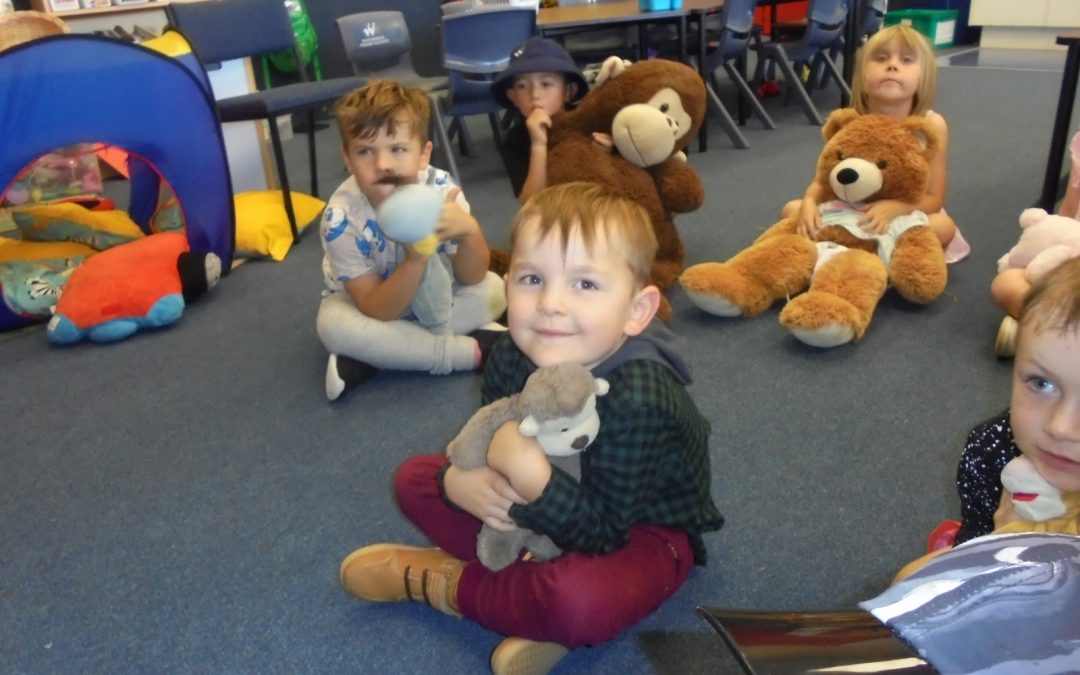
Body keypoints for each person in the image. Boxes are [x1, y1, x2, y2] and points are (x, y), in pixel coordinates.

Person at [336, 182, 724, 675]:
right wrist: (459, 483)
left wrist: (530, 477)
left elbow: (603, 532)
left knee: (578, 600)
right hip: (531, 510)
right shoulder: (513, 353)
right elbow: (482, 443)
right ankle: (531, 603)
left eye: (585, 284)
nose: (551, 305)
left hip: (640, 532)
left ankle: (447, 584)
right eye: (532, 279)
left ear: (637, 311)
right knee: (415, 478)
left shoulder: (642, 396)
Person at [316, 80, 506, 401]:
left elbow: (471, 276)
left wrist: (470, 230)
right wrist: (415, 258)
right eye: (365, 152)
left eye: (398, 149)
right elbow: (378, 310)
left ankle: (373, 361)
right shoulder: (341, 219)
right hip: (369, 304)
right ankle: (467, 353)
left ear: (424, 154)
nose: (383, 164)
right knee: (332, 324)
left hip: (436, 291)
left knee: (495, 289)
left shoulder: (441, 190)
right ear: (347, 159)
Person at [901, 256, 1080, 578]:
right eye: (1042, 383)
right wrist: (997, 540)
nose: (1060, 427)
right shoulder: (994, 447)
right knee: (908, 581)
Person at [781, 25, 969, 264]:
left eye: (906, 60)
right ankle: (869, 254)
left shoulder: (931, 125)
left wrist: (895, 208)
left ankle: (845, 252)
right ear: (861, 74)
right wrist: (809, 202)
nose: (892, 65)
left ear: (924, 76)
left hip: (903, 212)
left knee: (943, 227)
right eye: (880, 58)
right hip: (848, 209)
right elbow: (822, 181)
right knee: (792, 209)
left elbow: (934, 198)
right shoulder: (850, 119)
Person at [991, 129, 1080, 356]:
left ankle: (1039, 333)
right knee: (1007, 283)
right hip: (1071, 263)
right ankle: (1058, 335)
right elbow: (1067, 213)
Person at [491, 37, 589, 203]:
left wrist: (608, 149)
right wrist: (538, 145)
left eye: (546, 84)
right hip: (552, 217)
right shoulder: (515, 141)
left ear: (568, 91)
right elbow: (531, 203)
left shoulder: (586, 121)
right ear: (513, 97)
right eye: (522, 86)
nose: (534, 94)